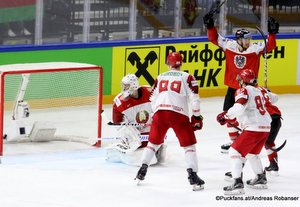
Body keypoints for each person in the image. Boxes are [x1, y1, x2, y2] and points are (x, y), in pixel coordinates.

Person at [203, 12, 279, 153]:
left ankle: (247, 139)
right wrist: (210, 26)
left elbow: (271, 46)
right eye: (246, 39)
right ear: (238, 39)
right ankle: (235, 142)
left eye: (249, 39)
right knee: (228, 114)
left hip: (249, 89)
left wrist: (272, 33)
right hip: (233, 88)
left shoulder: (255, 48)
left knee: (248, 116)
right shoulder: (229, 45)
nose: (248, 41)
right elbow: (214, 38)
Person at [135, 52, 205, 191]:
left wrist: (156, 112)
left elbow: (152, 98)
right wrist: (196, 116)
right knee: (189, 146)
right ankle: (193, 176)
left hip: (160, 113)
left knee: (153, 144)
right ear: (181, 63)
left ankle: (141, 170)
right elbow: (194, 99)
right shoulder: (188, 77)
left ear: (168, 63)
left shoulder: (160, 77)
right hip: (179, 115)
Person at [216, 69, 271, 195]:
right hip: (266, 127)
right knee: (252, 154)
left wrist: (226, 115)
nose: (239, 82)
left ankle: (237, 184)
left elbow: (239, 108)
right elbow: (274, 99)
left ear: (244, 80)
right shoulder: (261, 90)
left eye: (240, 79)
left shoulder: (243, 90)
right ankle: (260, 179)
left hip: (253, 127)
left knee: (234, 151)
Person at [105, 74, 166, 166]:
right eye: (123, 85)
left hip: (150, 134)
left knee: (160, 155)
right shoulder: (119, 102)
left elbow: (161, 108)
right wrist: (127, 129)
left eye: (126, 86)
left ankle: (157, 145)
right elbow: (118, 124)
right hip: (135, 138)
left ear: (134, 85)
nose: (123, 88)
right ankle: (123, 148)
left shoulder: (149, 92)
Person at [257, 86, 282, 175]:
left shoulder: (248, 91)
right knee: (269, 142)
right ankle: (273, 165)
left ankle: (238, 172)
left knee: (250, 146)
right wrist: (268, 92)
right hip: (277, 119)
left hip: (267, 119)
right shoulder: (262, 89)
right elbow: (275, 97)